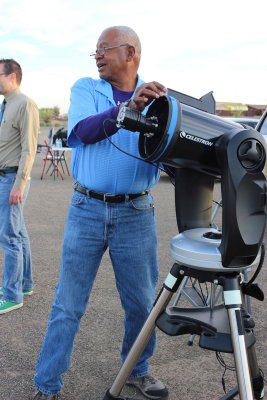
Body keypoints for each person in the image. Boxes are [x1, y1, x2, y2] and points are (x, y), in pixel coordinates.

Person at [33, 26, 168, 400]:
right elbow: (82, 131)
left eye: (103, 49)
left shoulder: (161, 102)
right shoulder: (86, 88)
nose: (97, 56)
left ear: (130, 53)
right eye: (95, 51)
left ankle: (138, 370)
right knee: (68, 304)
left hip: (136, 212)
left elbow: (173, 154)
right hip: (86, 208)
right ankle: (47, 385)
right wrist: (127, 110)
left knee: (141, 304)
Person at [0, 59, 39, 314]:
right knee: (19, 232)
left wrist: (19, 185)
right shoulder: (6, 104)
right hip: (5, 177)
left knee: (9, 236)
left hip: (12, 179)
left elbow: (29, 148)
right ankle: (24, 284)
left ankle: (12, 294)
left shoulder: (25, 103)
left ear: (12, 75)